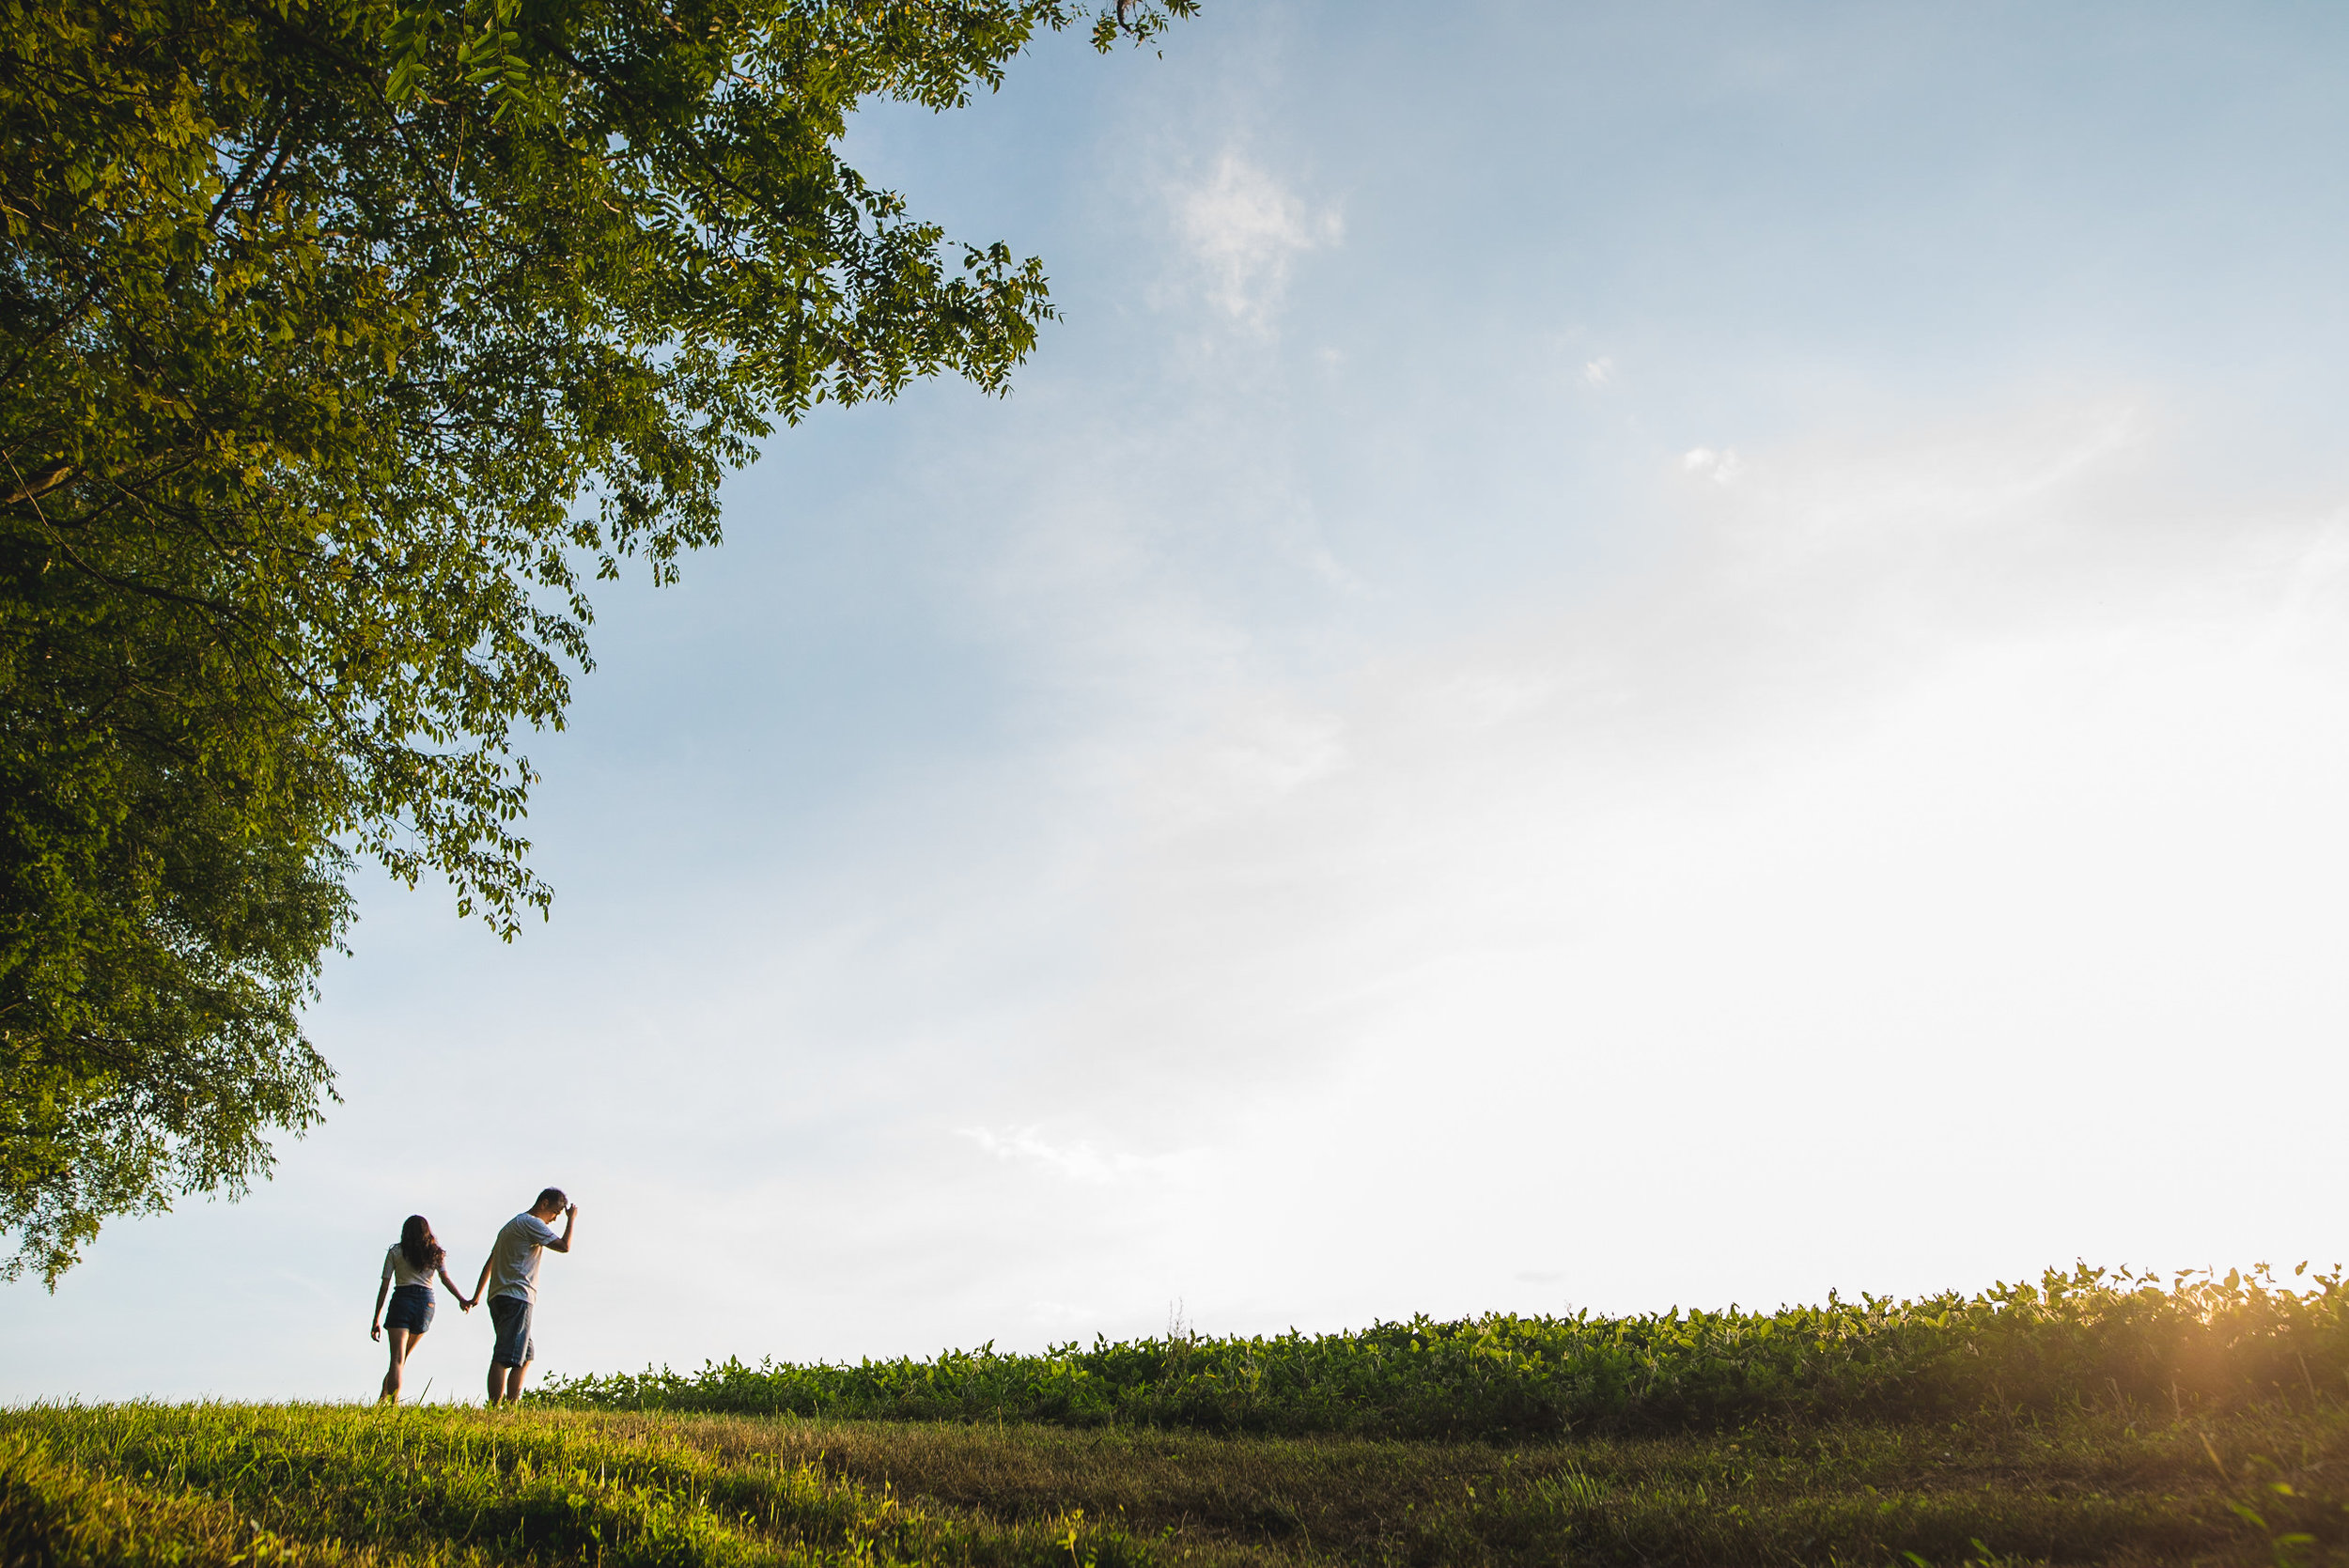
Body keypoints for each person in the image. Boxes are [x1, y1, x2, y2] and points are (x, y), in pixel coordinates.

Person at [471, 1187, 578, 1405]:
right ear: (544, 1204)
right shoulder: (532, 1223)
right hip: (517, 1295)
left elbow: (490, 1261)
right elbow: (564, 1246)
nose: (555, 1218)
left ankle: (512, 1404)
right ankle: (495, 1405)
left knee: (526, 1354)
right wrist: (571, 1219)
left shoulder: (511, 1226)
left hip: (499, 1295)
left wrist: (477, 1295)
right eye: (555, 1213)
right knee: (503, 1355)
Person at [369, 1215, 471, 1405]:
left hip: (402, 1300)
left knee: (397, 1360)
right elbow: (445, 1279)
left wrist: (376, 1318)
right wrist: (461, 1299)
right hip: (426, 1304)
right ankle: (383, 1398)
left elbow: (384, 1286)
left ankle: (392, 1405)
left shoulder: (396, 1252)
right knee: (402, 1359)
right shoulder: (435, 1253)